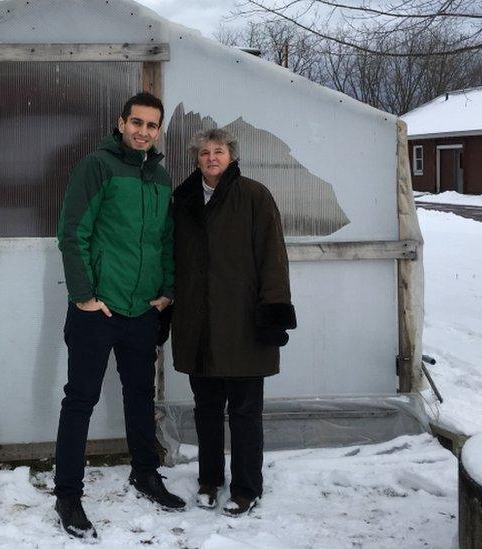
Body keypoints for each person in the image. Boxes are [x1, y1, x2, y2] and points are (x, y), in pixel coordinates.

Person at [54, 92, 184, 539]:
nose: (143, 131)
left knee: (140, 396)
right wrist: (84, 296)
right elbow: (73, 234)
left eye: (151, 125)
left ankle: (144, 473)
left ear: (158, 130)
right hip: (99, 309)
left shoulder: (161, 176)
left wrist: (167, 290)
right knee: (80, 401)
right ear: (121, 122)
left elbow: (165, 239)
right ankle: (68, 495)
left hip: (143, 310)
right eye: (137, 122)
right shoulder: (98, 166)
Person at [171, 128, 296, 517]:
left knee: (244, 413)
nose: (211, 158)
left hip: (243, 324)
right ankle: (209, 481)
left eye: (219, 151)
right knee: (206, 409)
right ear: (196, 158)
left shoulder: (255, 196)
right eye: (205, 152)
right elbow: (172, 256)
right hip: (199, 324)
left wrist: (273, 311)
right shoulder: (184, 199)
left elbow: (273, 257)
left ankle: (246, 488)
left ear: (231, 156)